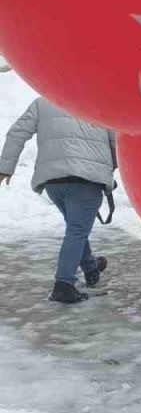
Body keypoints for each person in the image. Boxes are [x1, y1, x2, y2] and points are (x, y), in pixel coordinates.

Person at [0, 97, 115, 303]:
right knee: (77, 231)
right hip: (87, 180)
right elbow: (116, 141)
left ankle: (90, 268)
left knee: (76, 229)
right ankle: (63, 284)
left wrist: (5, 168)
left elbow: (17, 132)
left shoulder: (43, 102)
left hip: (54, 180)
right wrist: (110, 169)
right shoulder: (100, 102)